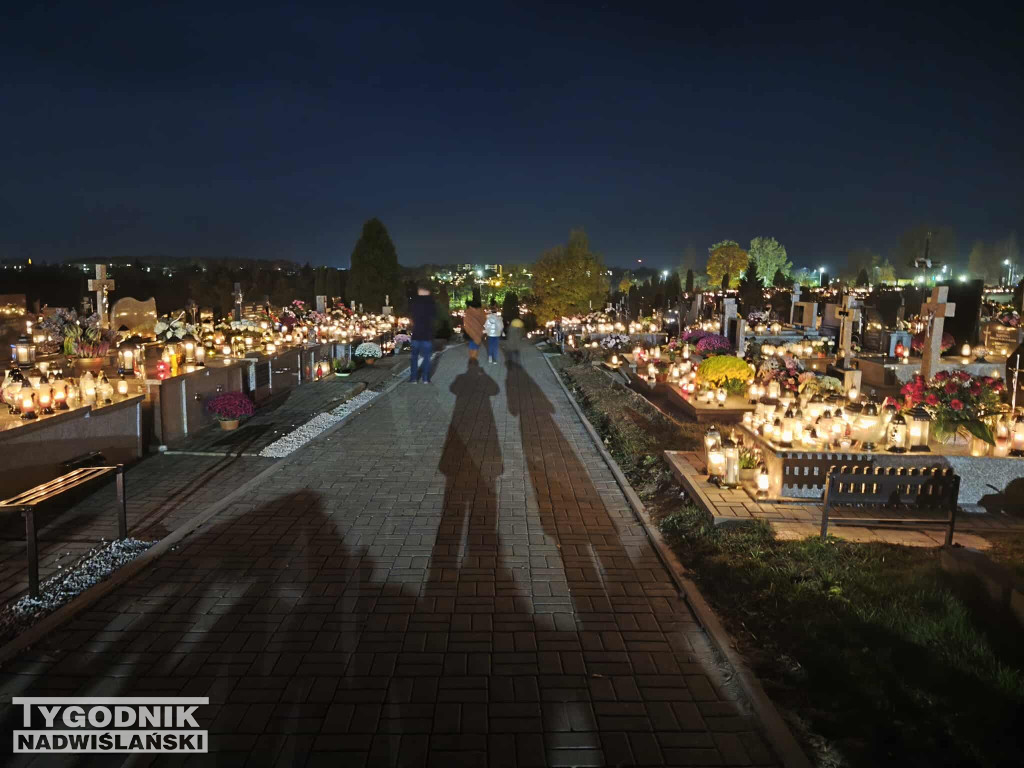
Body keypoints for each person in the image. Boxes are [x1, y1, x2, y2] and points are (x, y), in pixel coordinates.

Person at [408, 284, 435, 383]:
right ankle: (425, 379)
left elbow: (411, 316)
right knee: (427, 358)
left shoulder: (414, 301)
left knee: (414, 358)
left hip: (416, 334)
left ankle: (413, 378)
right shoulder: (431, 302)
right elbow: (434, 316)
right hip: (427, 335)